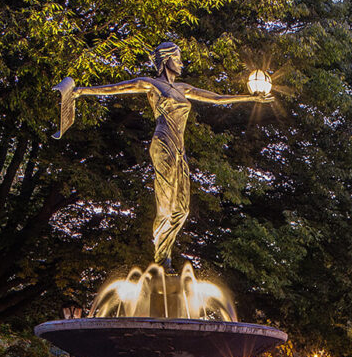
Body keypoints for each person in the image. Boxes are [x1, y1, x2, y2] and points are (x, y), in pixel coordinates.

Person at [52, 42, 271, 269]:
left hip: (179, 146)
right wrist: (81, 91)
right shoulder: (152, 84)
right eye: (177, 58)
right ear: (165, 60)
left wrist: (250, 99)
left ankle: (163, 252)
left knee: (182, 209)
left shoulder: (183, 88)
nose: (181, 63)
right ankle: (161, 259)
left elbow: (216, 98)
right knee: (166, 204)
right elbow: (120, 87)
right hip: (163, 142)